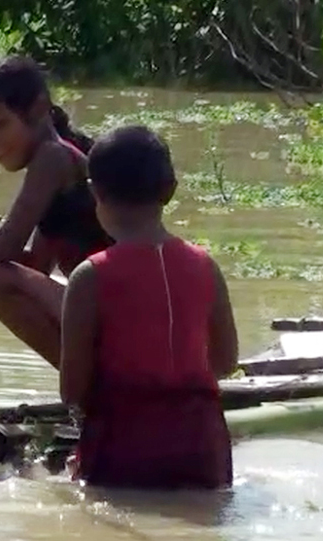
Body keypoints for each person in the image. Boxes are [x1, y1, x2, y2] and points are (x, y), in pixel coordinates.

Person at [59, 125, 239, 490]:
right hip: (203, 449)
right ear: (170, 190)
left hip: (125, 448)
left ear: (95, 193)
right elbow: (225, 362)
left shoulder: (90, 276)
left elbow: (72, 390)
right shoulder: (206, 265)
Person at [0, 54, 114, 370]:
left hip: (121, 314)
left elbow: (6, 247)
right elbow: (32, 265)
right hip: (110, 311)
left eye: (0, 125)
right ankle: (94, 383)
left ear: (38, 108)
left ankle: (93, 388)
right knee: (0, 275)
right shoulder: (58, 158)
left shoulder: (53, 158)